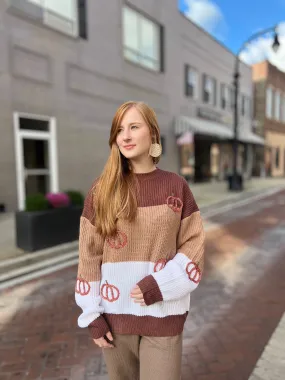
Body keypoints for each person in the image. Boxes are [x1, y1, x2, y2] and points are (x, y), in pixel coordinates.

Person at [75, 101, 205, 380]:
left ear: (153, 134)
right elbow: (89, 256)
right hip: (115, 320)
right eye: (120, 130)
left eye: (134, 127)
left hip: (164, 315)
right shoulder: (102, 190)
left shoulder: (176, 186)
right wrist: (91, 315)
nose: (126, 136)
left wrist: (159, 284)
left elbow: (193, 247)